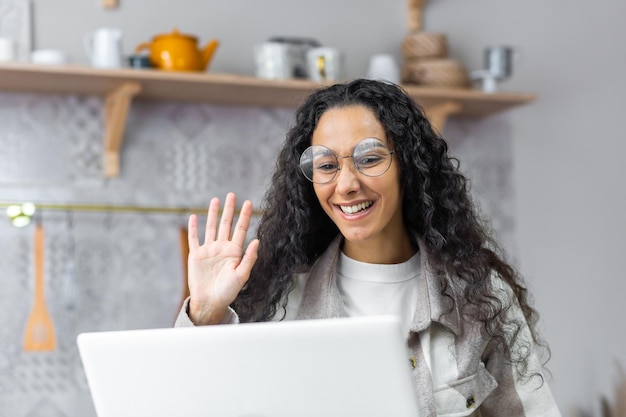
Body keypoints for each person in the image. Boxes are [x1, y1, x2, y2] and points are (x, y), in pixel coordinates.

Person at [175, 78, 561, 417]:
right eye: (326, 166)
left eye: (370, 158)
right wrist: (206, 312)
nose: (345, 185)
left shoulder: (481, 295)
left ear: (408, 166)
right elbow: (196, 403)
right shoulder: (279, 302)